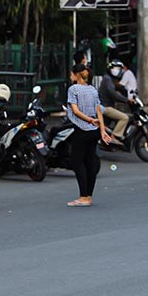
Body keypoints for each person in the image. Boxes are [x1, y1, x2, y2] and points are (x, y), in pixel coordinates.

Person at [66, 64, 111, 207]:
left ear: (76, 75)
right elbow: (99, 110)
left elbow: (76, 111)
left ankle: (83, 196)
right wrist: (102, 130)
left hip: (82, 128)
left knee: (77, 162)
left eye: (71, 74)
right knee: (90, 161)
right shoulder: (92, 90)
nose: (70, 76)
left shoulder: (73, 89)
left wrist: (89, 120)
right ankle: (89, 196)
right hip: (95, 130)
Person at [99, 60, 132, 141]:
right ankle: (114, 138)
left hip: (106, 105)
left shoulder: (109, 79)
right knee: (124, 118)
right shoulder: (107, 79)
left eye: (118, 69)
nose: (117, 70)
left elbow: (116, 90)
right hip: (105, 107)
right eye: (115, 68)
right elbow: (113, 93)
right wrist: (126, 100)